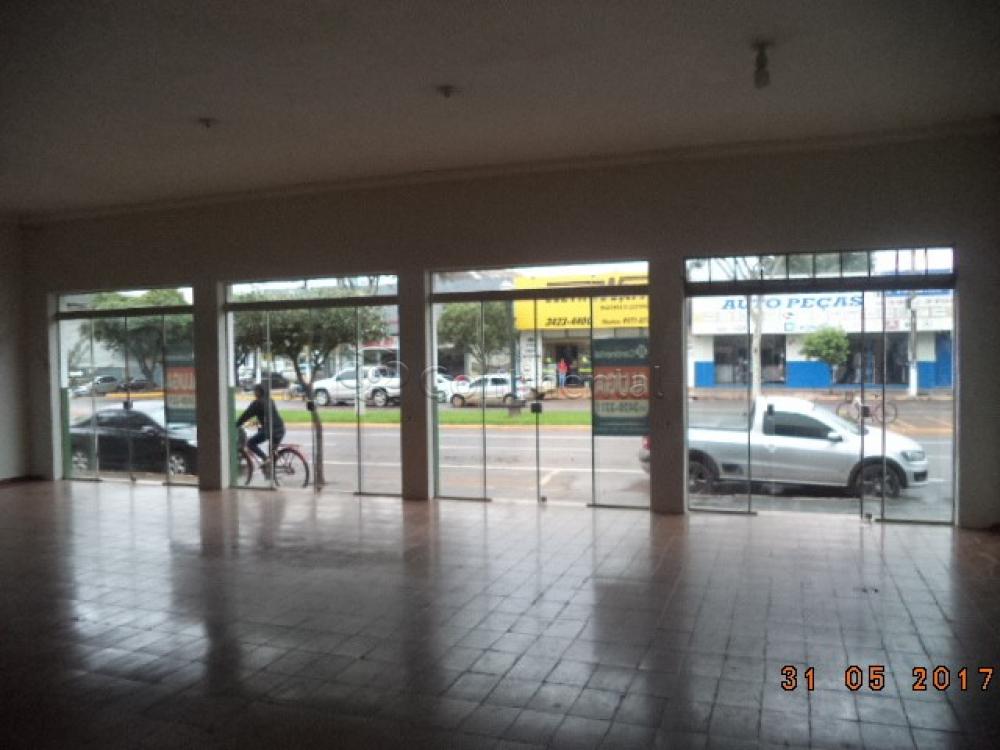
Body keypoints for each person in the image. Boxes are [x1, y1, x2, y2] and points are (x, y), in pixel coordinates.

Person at [237, 384, 286, 476]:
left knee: (250, 443)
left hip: (270, 430)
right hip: (280, 428)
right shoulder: (270, 400)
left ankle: (265, 460)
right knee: (272, 454)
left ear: (259, 392)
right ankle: (269, 474)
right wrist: (259, 423)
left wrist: (236, 424)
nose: (254, 393)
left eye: (255, 391)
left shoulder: (257, 403)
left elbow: (246, 415)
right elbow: (268, 415)